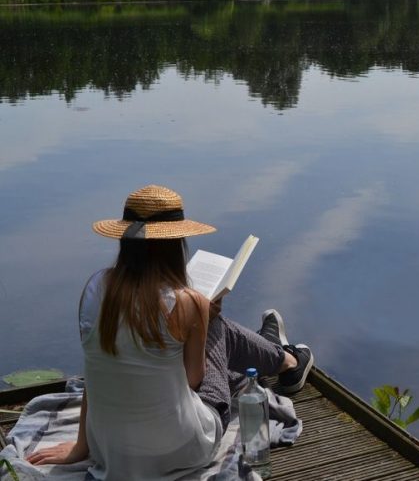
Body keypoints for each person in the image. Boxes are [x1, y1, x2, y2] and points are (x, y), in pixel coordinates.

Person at [25, 185, 314, 479]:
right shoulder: (188, 302)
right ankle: (285, 360)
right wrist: (202, 319)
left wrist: (81, 446)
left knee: (205, 333)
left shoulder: (94, 288)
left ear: (125, 239)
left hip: (110, 450)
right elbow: (193, 381)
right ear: (176, 243)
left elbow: (95, 369)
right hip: (184, 449)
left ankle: (275, 354)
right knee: (217, 329)